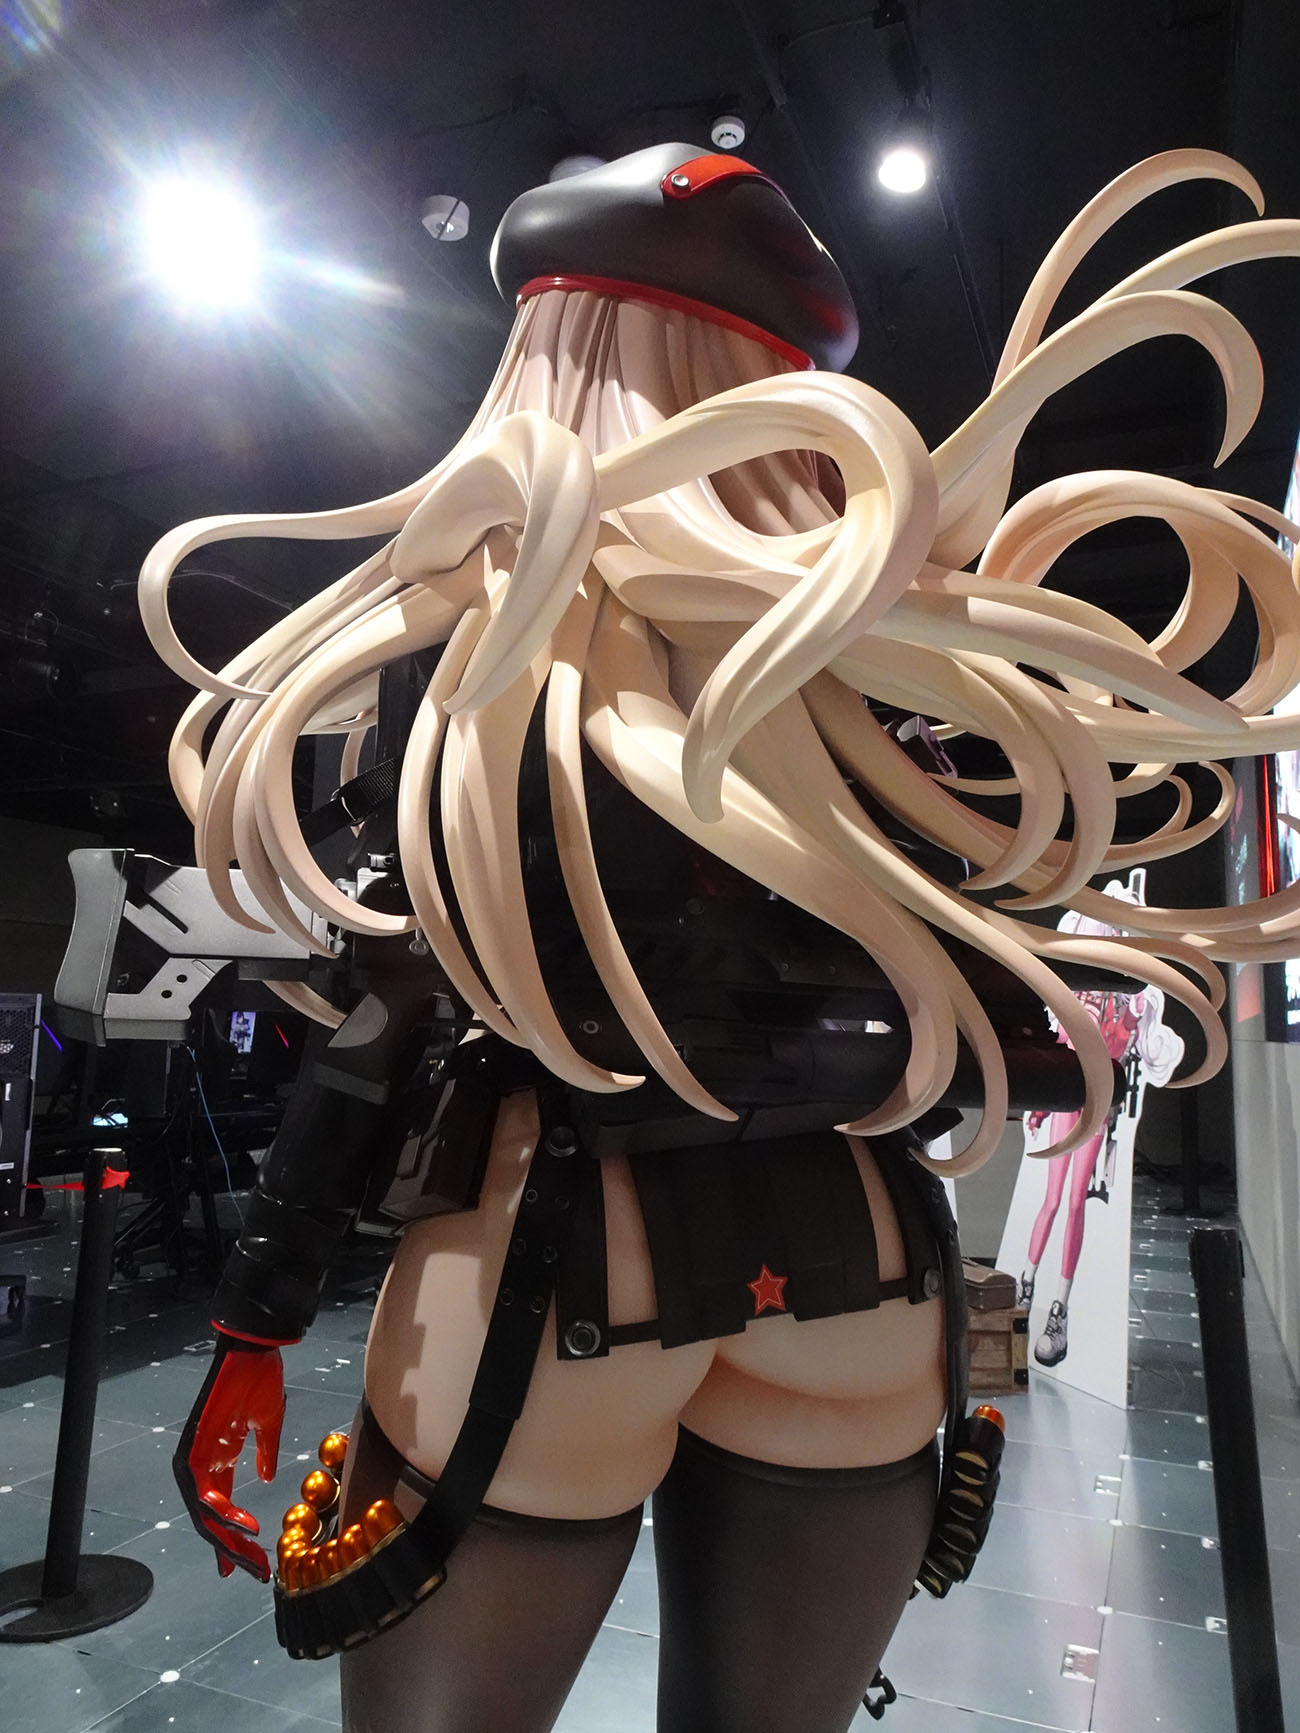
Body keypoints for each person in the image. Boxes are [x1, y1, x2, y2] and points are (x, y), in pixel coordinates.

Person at [143, 144, 1300, 1733]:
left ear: (555, 351)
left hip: (557, 1246)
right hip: (865, 1269)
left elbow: (390, 1004)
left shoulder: (493, 641)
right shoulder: (885, 656)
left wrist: (257, 1307)